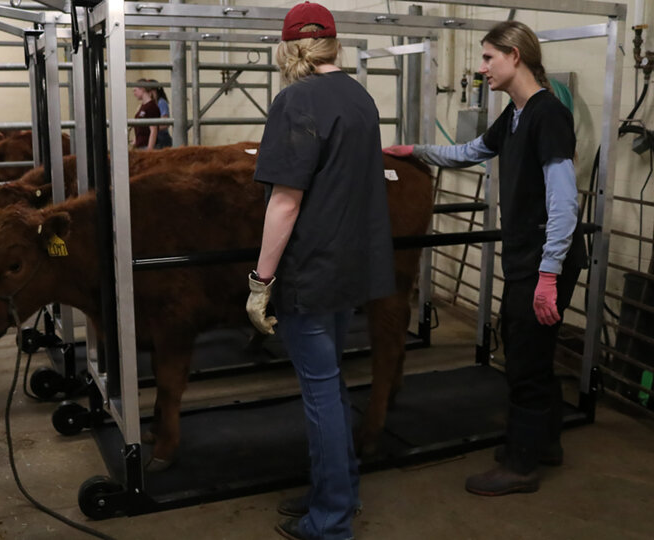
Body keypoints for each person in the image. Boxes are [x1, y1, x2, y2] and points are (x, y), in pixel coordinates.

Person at [384, 20, 587, 496]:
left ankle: (521, 465)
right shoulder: (515, 114)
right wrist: (418, 151)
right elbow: (472, 151)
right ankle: (546, 442)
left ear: (515, 56)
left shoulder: (547, 115)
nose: (481, 68)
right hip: (528, 256)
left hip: (544, 258)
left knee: (525, 360)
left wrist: (547, 275)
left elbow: (564, 201)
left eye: (489, 58)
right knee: (527, 347)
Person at [246, 2, 396, 539]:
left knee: (320, 392)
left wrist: (261, 281)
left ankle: (330, 521)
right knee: (330, 387)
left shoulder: (294, 101)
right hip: (350, 265)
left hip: (309, 270)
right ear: (335, 45)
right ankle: (335, 493)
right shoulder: (361, 97)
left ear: (288, 49)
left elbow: (285, 201)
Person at [132, 79, 160, 150]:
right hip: (141, 145)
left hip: (146, 146)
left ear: (142, 89)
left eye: (135, 90)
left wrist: (149, 149)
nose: (134, 93)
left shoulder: (151, 107)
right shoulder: (143, 106)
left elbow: (153, 130)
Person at [149, 80, 173, 148]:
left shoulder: (161, 102)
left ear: (153, 91)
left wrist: (151, 130)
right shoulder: (154, 104)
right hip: (158, 137)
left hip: (162, 139)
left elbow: (165, 123)